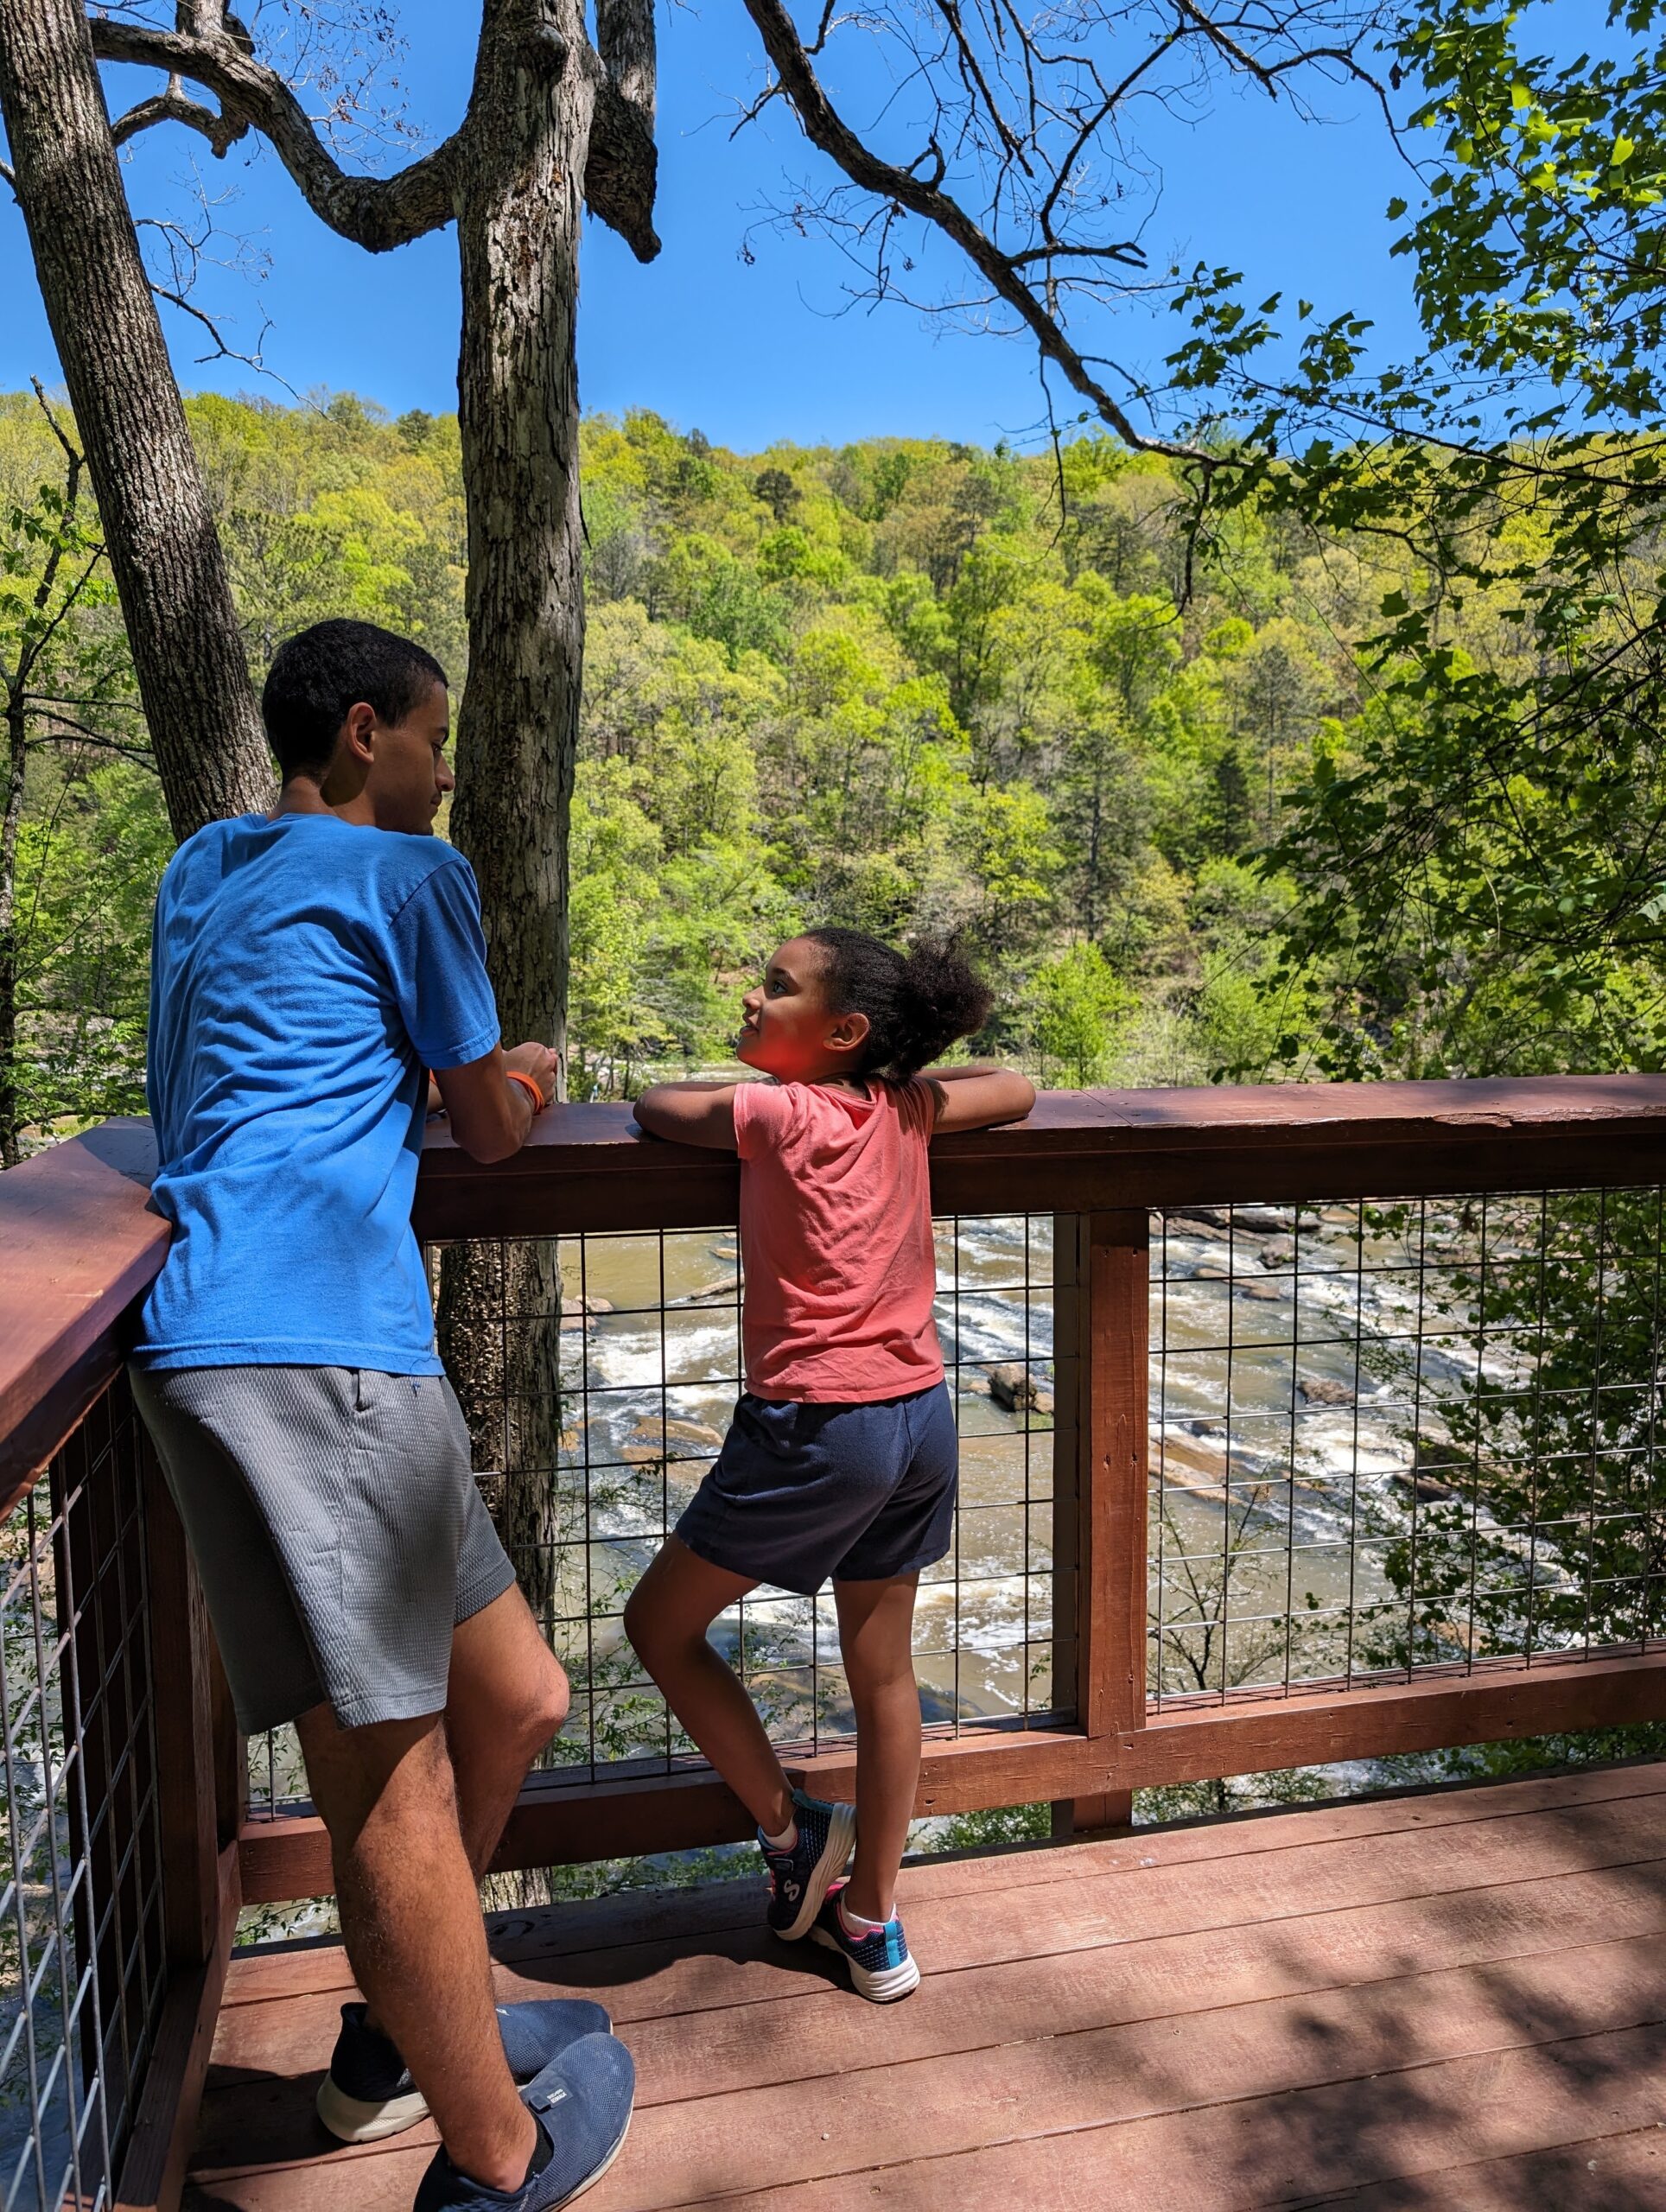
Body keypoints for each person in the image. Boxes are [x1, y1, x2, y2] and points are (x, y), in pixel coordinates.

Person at [130, 620, 635, 2212]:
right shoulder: (415, 874)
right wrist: (528, 1074)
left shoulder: (204, 866)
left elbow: (233, 1074)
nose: (446, 768)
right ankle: (495, 2159)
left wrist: (402, 1083)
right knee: (390, 1789)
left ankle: (408, 2024)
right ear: (364, 733)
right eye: (432, 736)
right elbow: (487, 1129)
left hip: (236, 1330)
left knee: (522, 1697)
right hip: (316, 1352)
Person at [624, 929, 1034, 2000]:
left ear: (843, 1030)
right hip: (919, 1416)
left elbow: (656, 1105)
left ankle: (790, 1828)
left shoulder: (776, 1114)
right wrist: (897, 1074)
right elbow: (1015, 1084)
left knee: (657, 1626)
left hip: (817, 1426)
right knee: (883, 1671)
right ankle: (871, 1918)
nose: (750, 998)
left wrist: (795, 1080)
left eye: (776, 987)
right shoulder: (904, 1109)